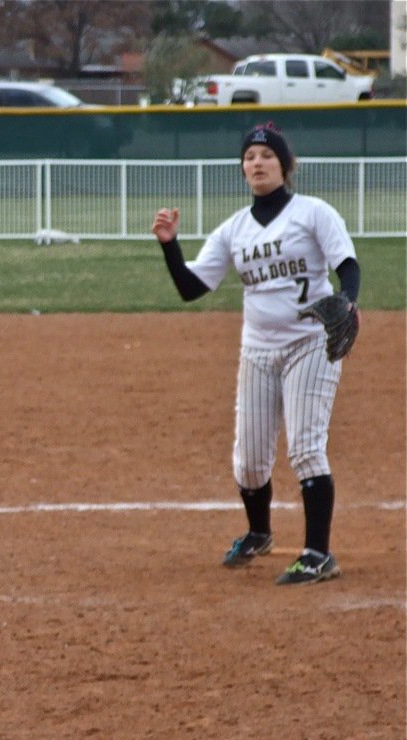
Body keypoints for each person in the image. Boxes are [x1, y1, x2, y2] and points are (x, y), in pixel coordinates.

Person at [151, 121, 361, 585]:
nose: (257, 163)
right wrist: (171, 247)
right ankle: (259, 532)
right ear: (242, 169)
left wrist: (347, 299)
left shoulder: (313, 213)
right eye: (250, 157)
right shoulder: (235, 230)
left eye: (267, 155)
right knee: (248, 461)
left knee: (306, 448)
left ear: (284, 166)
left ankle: (318, 554)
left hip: (310, 343)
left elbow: (347, 263)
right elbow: (191, 287)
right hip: (258, 350)